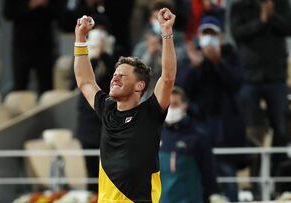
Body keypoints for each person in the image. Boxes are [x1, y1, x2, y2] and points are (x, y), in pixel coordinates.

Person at [73, 7, 176, 202]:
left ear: (140, 86)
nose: (115, 79)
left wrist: (167, 33)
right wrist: (80, 38)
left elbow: (168, 77)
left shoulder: (150, 112)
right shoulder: (107, 108)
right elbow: (85, 81)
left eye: (122, 76)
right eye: (114, 75)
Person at [177, 16, 247, 202]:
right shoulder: (192, 56)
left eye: (213, 33)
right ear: (199, 35)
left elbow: (237, 83)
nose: (208, 38)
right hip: (198, 126)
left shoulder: (230, 55)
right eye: (205, 33)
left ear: (221, 36)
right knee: (201, 179)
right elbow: (180, 89)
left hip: (226, 129)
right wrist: (194, 67)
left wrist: (218, 63)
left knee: (228, 178)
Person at [230, 0, 291, 174]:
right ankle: (254, 180)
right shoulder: (239, 6)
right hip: (249, 78)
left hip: (276, 77)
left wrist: (272, 16)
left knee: (281, 128)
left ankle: (278, 176)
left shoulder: (279, 4)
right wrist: (261, 21)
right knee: (252, 131)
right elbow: (237, 32)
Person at [71, 28, 115, 192]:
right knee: (90, 171)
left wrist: (103, 54)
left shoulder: (111, 59)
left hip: (107, 123)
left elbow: (111, 79)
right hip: (88, 126)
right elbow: (79, 80)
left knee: (109, 171)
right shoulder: (82, 60)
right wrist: (94, 57)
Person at [159, 87, 218, 203]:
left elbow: (209, 172)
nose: (171, 108)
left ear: (184, 105)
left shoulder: (198, 137)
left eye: (175, 104)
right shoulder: (156, 134)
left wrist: (210, 194)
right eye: (168, 104)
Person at [3, 0, 63, 94]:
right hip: (22, 45)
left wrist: (45, 4)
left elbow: (59, 12)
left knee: (46, 88)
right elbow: (7, 13)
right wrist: (30, 4)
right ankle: (21, 108)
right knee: (20, 87)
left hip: (44, 45)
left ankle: (47, 109)